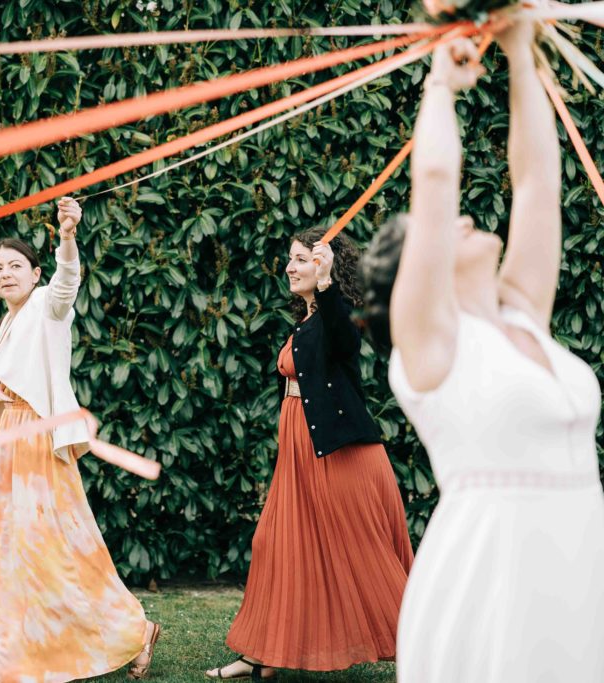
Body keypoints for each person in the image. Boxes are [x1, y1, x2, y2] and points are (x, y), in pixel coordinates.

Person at [360, 24, 604, 682]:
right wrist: (442, 82)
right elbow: (437, 178)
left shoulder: (521, 312)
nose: (462, 218)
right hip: (492, 582)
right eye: (443, 227)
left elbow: (538, 182)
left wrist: (521, 49)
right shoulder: (430, 343)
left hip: (575, 573)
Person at [0, 198, 160, 683]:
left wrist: (67, 235)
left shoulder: (48, 305)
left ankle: (136, 630)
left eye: (15, 266)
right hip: (9, 443)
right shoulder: (7, 323)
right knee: (1, 557)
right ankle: (1, 662)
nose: (5, 274)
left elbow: (68, 281)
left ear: (35, 272)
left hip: (38, 444)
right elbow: (4, 397)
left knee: (54, 553)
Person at [207, 227, 413, 680]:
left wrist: (326, 285)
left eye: (301, 259)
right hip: (302, 456)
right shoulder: (305, 321)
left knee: (364, 556)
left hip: (340, 456)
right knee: (274, 546)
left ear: (324, 267)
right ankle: (262, 655)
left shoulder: (338, 315)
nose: (289, 267)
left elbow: (344, 341)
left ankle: (428, 645)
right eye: (291, 259)